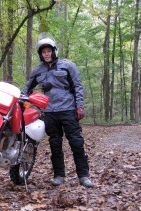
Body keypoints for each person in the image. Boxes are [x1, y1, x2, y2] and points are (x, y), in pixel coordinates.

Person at [23, 32, 94, 188]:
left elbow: (77, 86)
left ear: (54, 51)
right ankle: (59, 175)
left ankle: (84, 176)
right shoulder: (38, 70)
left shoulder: (68, 65)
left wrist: (79, 106)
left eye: (49, 51)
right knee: (55, 144)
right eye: (43, 52)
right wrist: (22, 100)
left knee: (76, 142)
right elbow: (27, 88)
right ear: (40, 54)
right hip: (49, 112)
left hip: (68, 109)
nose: (46, 54)